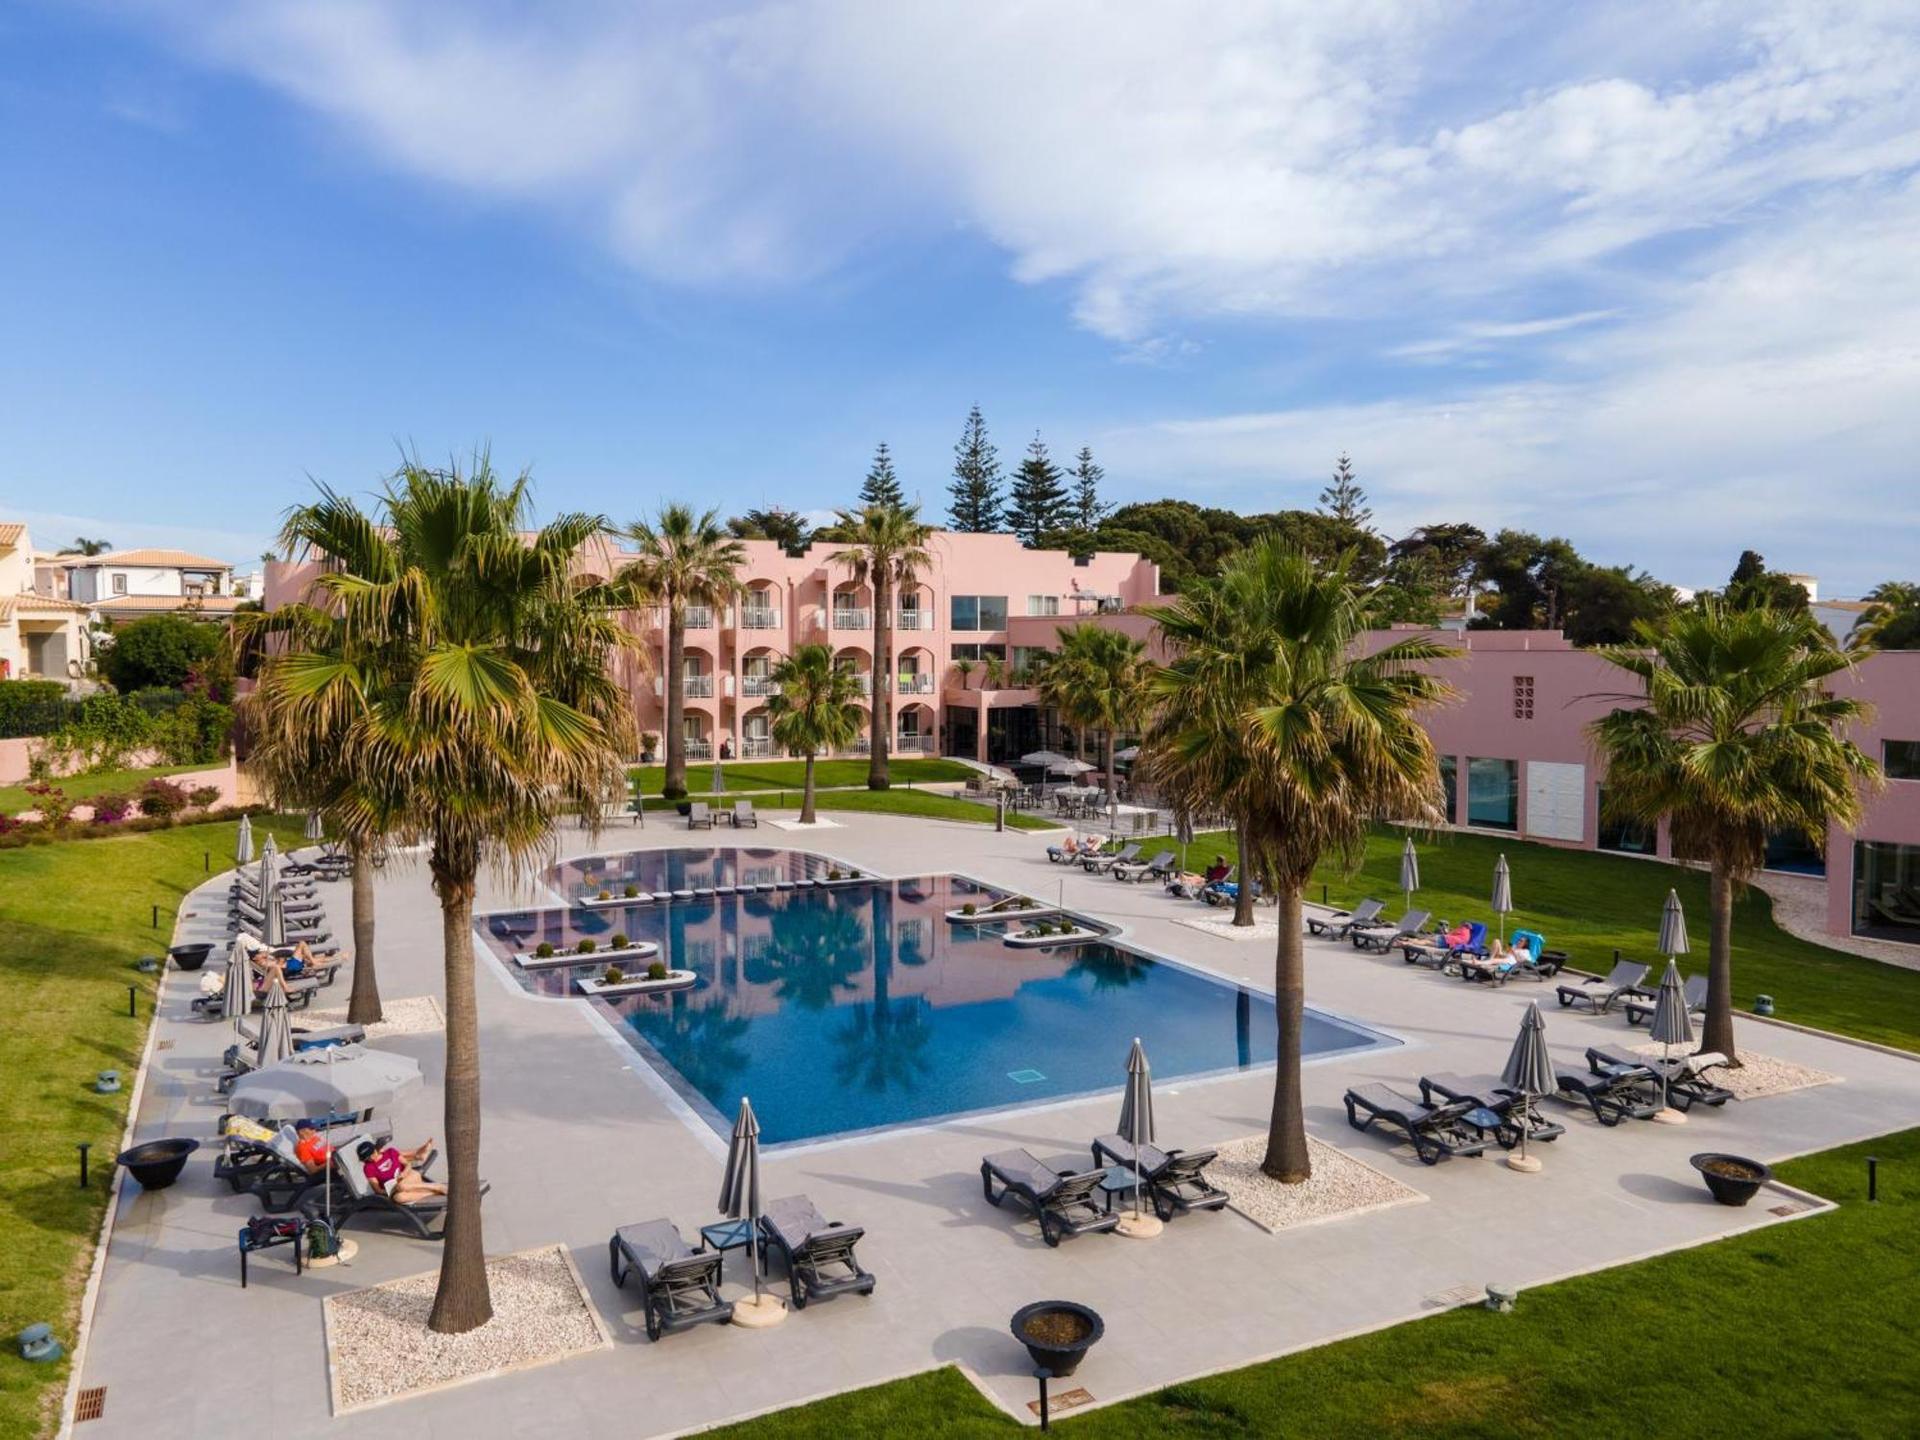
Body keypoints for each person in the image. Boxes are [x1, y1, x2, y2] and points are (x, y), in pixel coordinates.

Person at [356, 1137, 445, 1202]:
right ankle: (434, 1193)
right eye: (367, 1158)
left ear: (375, 1150)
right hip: (396, 1188)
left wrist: (404, 1174)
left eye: (372, 1154)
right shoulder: (368, 1168)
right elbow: (377, 1190)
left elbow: (407, 1164)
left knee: (402, 1186)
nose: (371, 1158)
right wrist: (392, 1190)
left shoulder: (390, 1152)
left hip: (410, 1177)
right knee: (398, 1198)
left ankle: (437, 1186)